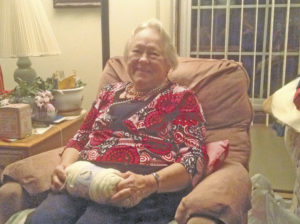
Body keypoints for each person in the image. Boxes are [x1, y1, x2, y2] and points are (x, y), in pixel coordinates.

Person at [25, 19, 208, 224]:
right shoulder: (109, 93)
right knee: (41, 220)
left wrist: (148, 183)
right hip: (85, 181)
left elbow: (192, 159)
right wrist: (65, 166)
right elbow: (80, 138)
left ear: (169, 62)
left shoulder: (182, 98)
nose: (143, 59)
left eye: (153, 54)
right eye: (136, 52)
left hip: (140, 192)